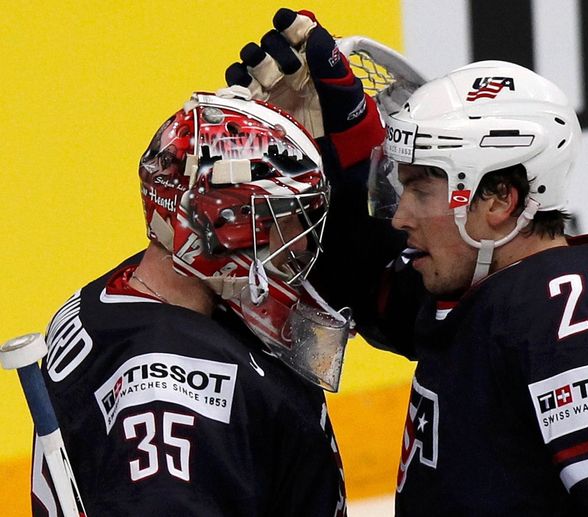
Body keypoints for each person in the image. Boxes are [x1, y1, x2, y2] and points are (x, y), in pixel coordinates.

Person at [30, 11, 386, 515]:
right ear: (223, 225)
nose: (304, 246)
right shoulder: (169, 396)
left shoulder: (130, 294)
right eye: (288, 219)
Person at [314, 60, 588, 513]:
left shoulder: (573, 303)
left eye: (421, 190)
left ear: (499, 198)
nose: (400, 216)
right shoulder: (479, 289)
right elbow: (374, 290)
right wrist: (346, 132)